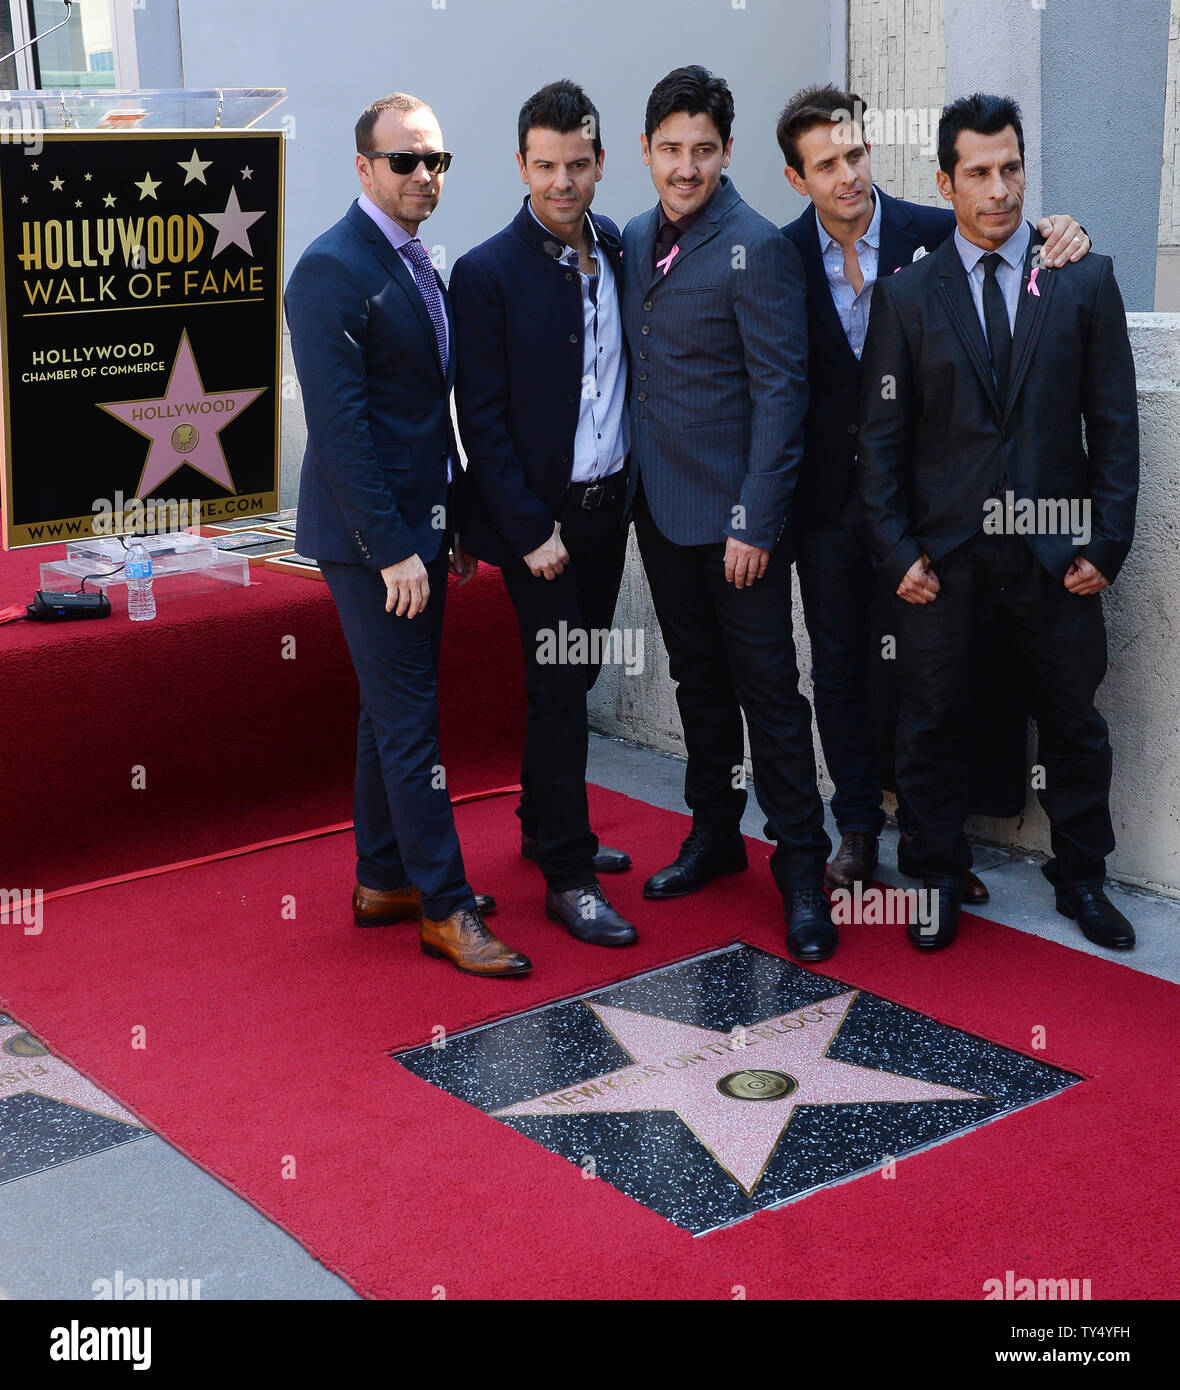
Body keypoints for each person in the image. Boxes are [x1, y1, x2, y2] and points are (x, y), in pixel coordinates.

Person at [777, 83, 1091, 900]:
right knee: (843, 670)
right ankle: (859, 829)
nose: (847, 175)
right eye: (826, 164)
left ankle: (945, 840)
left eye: (855, 154)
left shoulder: (927, 228)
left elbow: (1011, 233)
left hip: (925, 512)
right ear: (796, 176)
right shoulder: (776, 254)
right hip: (826, 504)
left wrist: (1065, 228)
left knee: (936, 680)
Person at [857, 93, 1138, 951]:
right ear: (946, 183)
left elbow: (1116, 425)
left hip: (1057, 555)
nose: (1000, 188)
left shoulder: (1081, 277)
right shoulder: (907, 296)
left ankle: (1082, 878)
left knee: (1074, 721)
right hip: (944, 557)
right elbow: (878, 439)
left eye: (1011, 168)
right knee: (932, 719)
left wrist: (1106, 541)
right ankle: (936, 876)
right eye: (978, 172)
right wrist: (897, 549)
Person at [285, 92, 531, 978]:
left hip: (419, 530)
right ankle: (446, 906)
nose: (425, 175)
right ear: (363, 168)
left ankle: (384, 878)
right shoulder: (329, 270)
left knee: (386, 715)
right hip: (369, 543)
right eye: (405, 161)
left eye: (437, 161)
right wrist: (393, 546)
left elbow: (430, 415)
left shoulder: (418, 259)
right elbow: (342, 431)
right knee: (410, 724)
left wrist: (450, 524)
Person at [620, 64, 836, 962]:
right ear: (646, 151)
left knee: (772, 698)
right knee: (696, 686)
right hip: (660, 516)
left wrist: (755, 520)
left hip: (739, 529)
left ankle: (801, 871)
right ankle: (713, 835)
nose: (686, 167)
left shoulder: (757, 244)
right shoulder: (633, 237)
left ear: (727, 152)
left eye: (702, 150)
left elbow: (784, 394)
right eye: (670, 149)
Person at [450, 79, 637, 948]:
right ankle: (566, 873)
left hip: (611, 512)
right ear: (522, 165)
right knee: (561, 688)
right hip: (540, 528)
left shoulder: (625, 251)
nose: (563, 181)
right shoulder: (485, 272)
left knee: (578, 672)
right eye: (546, 166)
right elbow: (478, 419)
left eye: (577, 164)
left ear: (599, 163)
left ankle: (538, 821)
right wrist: (530, 532)